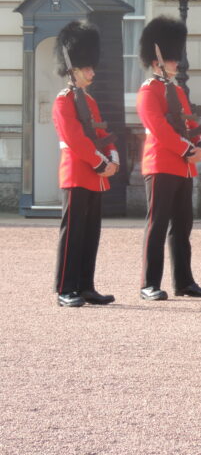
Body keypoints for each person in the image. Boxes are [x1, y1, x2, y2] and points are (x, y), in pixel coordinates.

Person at [137, 16, 201, 301]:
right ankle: (149, 283)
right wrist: (187, 150)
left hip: (184, 168)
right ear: (158, 58)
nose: (176, 63)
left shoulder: (177, 90)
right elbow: (158, 128)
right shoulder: (148, 90)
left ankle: (184, 281)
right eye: (172, 58)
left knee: (183, 226)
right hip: (161, 164)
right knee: (157, 225)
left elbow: (189, 123)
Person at [52, 21, 118, 307]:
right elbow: (75, 138)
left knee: (91, 233)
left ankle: (85, 285)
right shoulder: (63, 100)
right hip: (78, 173)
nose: (92, 71)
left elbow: (100, 132)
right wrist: (100, 161)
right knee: (73, 233)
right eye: (86, 67)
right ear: (73, 68)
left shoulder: (88, 101)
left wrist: (112, 155)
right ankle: (66, 287)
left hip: (96, 175)